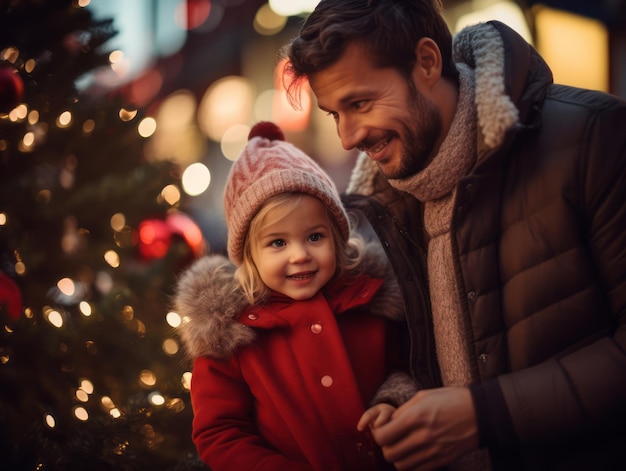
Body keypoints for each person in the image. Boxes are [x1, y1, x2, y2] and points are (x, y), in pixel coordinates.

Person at [281, 1, 626, 470]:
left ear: (426, 62)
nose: (347, 137)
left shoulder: (593, 137)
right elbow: (423, 357)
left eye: (359, 103)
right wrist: (397, 398)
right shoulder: (378, 211)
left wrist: (485, 415)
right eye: (334, 114)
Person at [173, 121, 419, 470]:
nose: (300, 254)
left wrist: (393, 402)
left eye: (315, 237)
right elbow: (221, 434)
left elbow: (409, 367)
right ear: (249, 255)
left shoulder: (371, 304)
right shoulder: (230, 337)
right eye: (277, 243)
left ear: (337, 237)